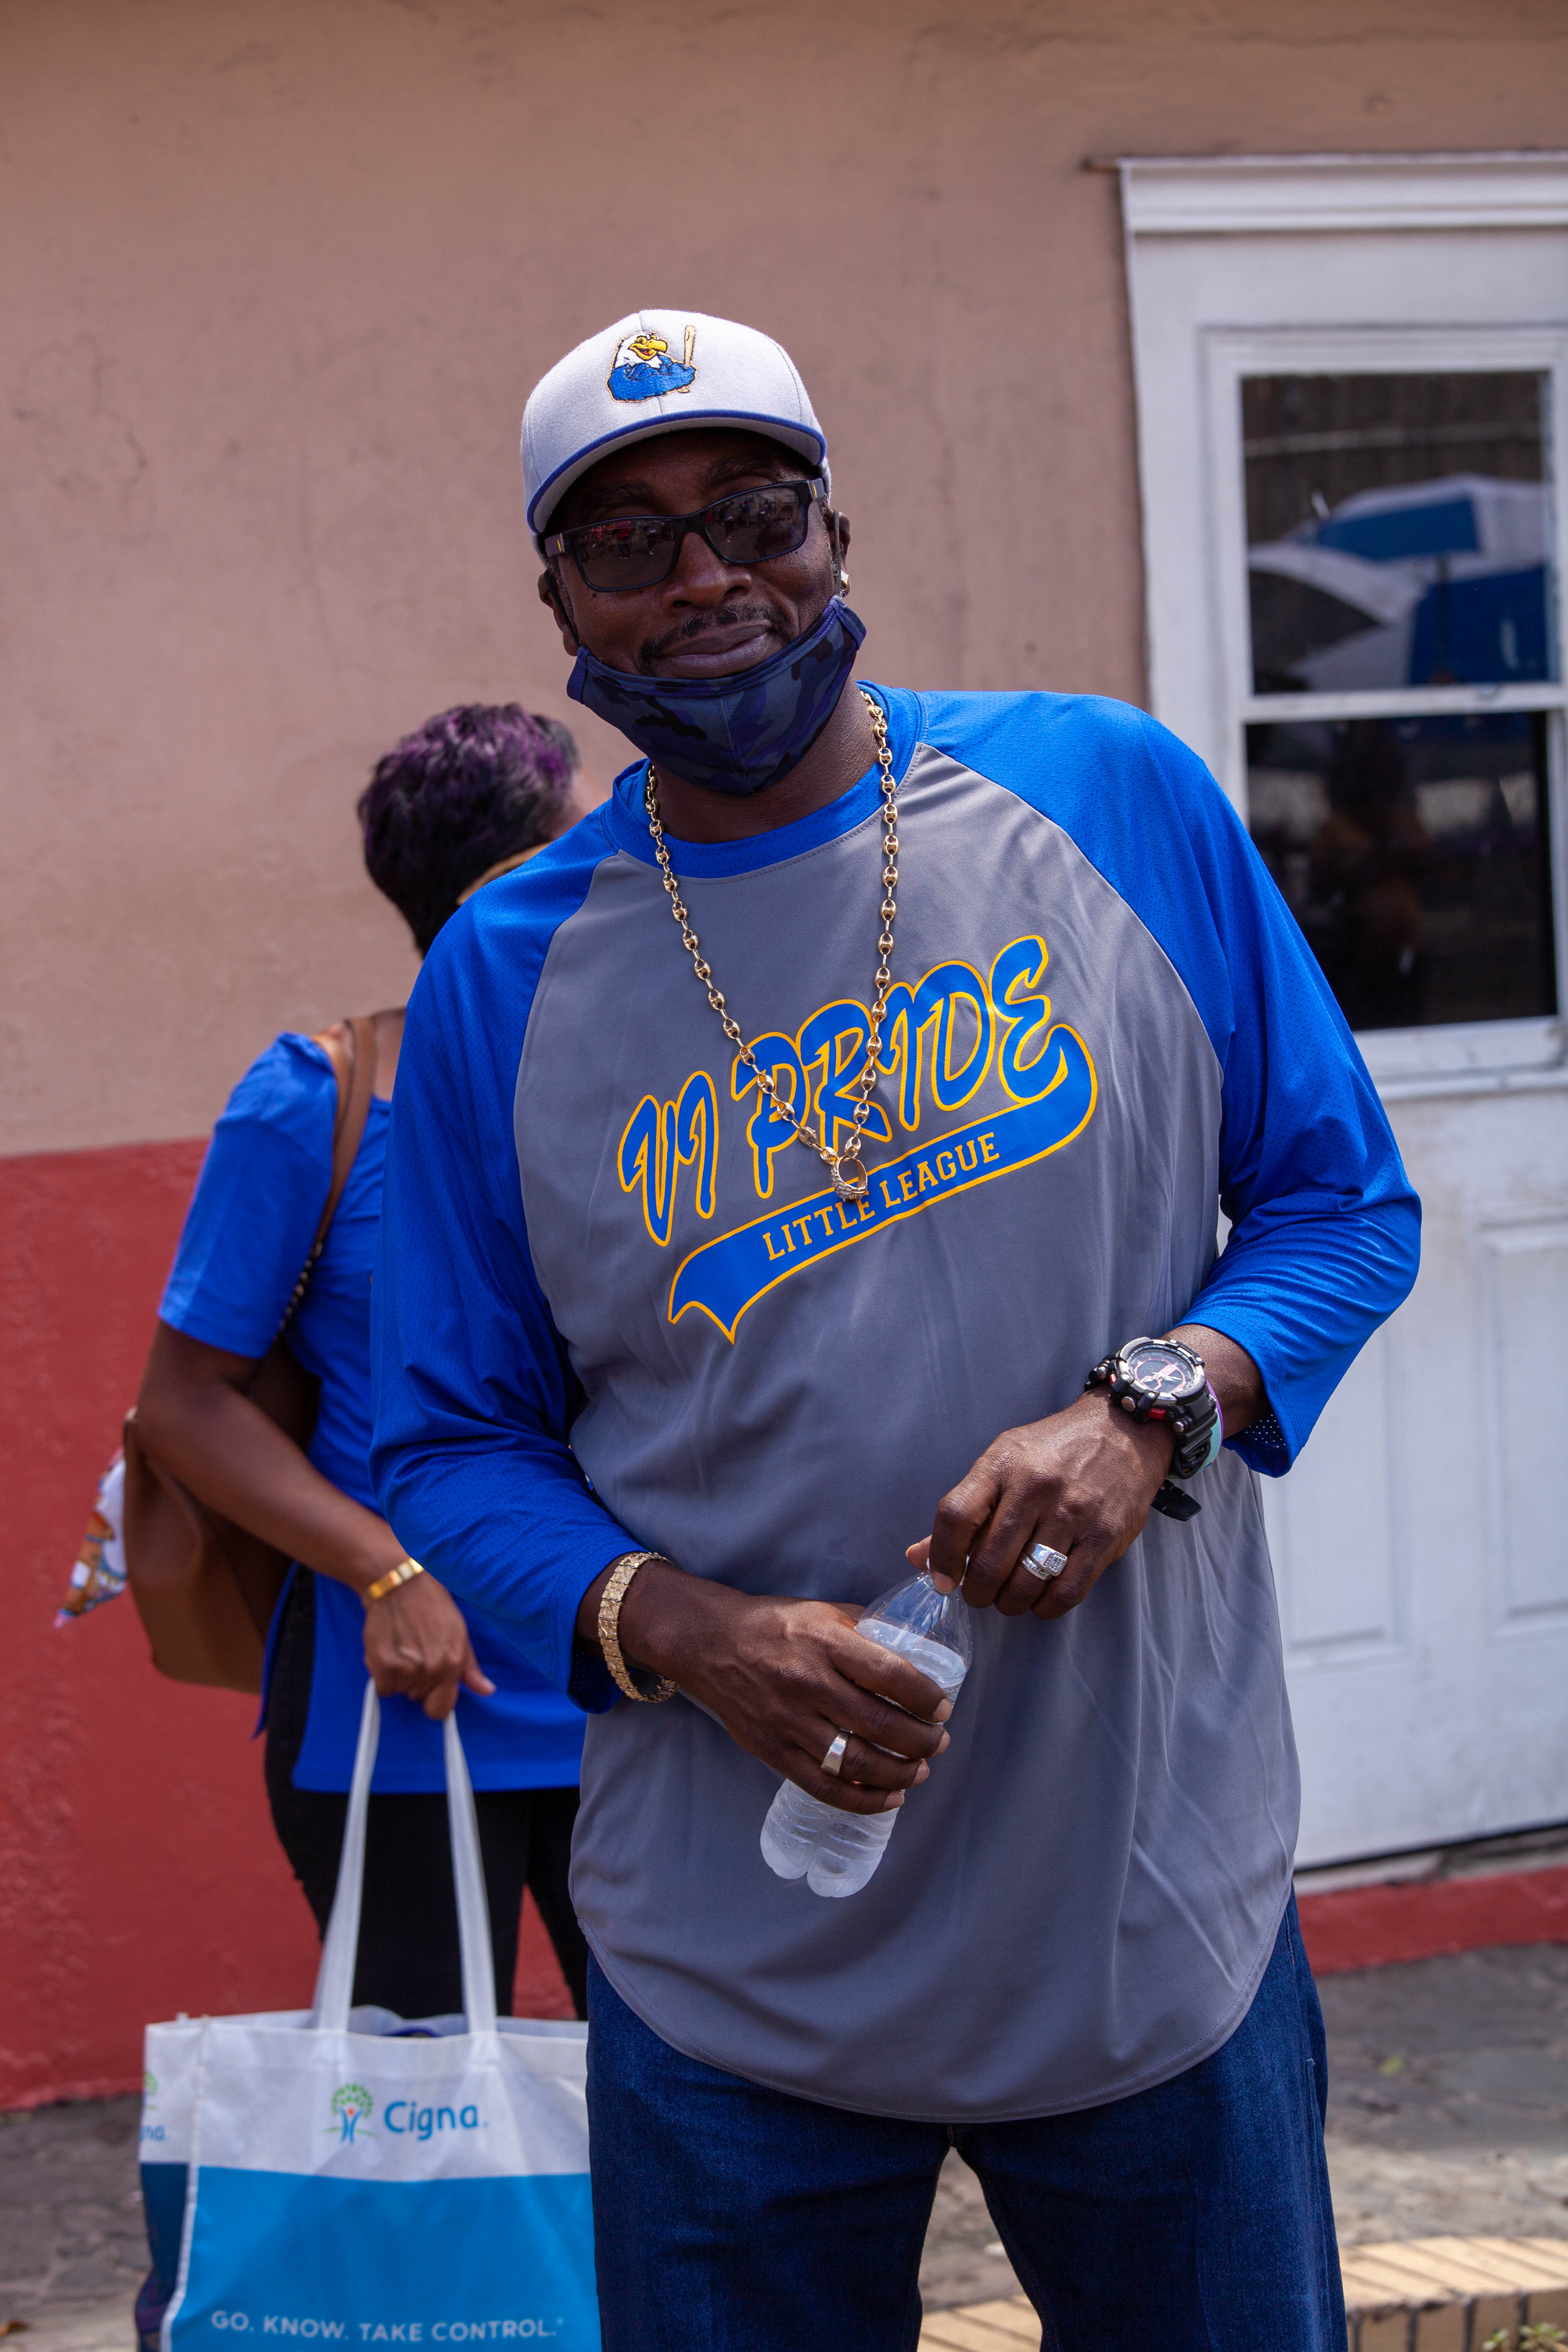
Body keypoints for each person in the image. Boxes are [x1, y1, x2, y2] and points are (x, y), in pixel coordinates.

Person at [370, 312, 1421, 2349]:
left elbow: (1339, 1204)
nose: (706, 578)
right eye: (630, 542)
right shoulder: (506, 973)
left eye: (755, 513)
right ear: (559, 602)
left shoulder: (1108, 791)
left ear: (836, 529)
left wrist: (1152, 1407)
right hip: (726, 1973)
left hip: (1145, 1916)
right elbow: (446, 1439)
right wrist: (688, 1630)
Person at [136, 703, 601, 2025]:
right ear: (513, 881)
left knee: (682, 2098)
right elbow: (184, 1404)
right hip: (400, 1687)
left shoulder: (655, 1096)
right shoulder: (311, 1104)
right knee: (422, 2104)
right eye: (592, 838)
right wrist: (383, 1570)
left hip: (632, 1678)